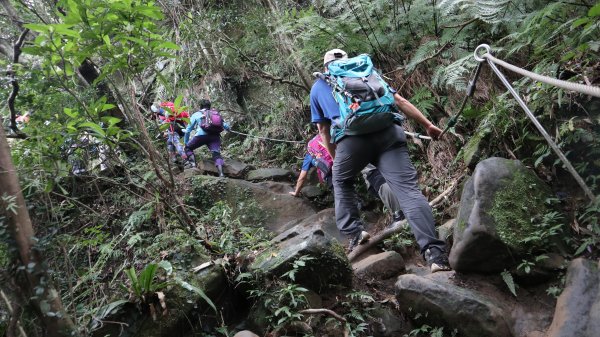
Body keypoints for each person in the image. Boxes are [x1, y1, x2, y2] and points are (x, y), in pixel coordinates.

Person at [310, 49, 450, 272]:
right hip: (389, 133)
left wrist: (337, 159)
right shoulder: (366, 73)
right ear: (347, 61)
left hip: (352, 141)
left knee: (342, 181)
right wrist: (427, 125)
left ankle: (355, 233)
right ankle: (436, 255)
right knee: (409, 192)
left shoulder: (319, 86)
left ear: (325, 65)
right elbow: (399, 100)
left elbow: (323, 130)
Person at [183, 99, 230, 176]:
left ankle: (193, 166)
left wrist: (186, 143)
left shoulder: (196, 114)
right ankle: (221, 173)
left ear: (200, 106)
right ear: (209, 106)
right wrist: (228, 129)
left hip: (201, 136)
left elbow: (188, 130)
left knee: (188, 148)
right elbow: (225, 125)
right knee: (216, 154)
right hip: (214, 136)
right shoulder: (215, 113)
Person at [151, 101, 189, 167]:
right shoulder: (170, 107)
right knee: (170, 142)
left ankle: (186, 159)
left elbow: (165, 122)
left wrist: (165, 131)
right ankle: (174, 159)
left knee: (177, 144)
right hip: (181, 127)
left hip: (172, 128)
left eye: (155, 112)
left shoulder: (162, 112)